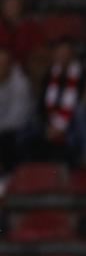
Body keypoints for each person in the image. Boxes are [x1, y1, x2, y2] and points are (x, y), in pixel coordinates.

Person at [0, 46, 31, 197]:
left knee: (7, 140)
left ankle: (7, 180)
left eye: (3, 63)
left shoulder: (20, 84)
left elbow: (18, 118)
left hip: (17, 130)